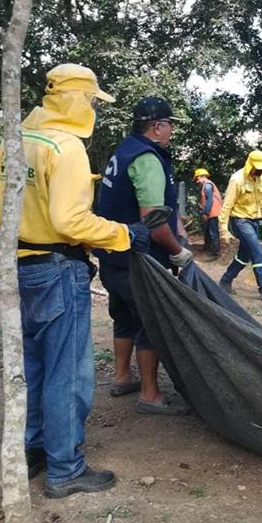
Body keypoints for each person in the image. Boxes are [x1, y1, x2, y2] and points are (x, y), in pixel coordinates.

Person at [0, 63, 152, 499]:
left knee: (36, 366)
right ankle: (65, 468)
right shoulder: (66, 147)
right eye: (93, 100)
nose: (95, 108)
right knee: (68, 373)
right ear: (78, 100)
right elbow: (69, 219)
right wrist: (122, 235)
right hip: (59, 270)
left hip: (20, 266)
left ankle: (34, 451)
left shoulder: (16, 142)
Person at [94, 96, 193, 415]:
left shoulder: (125, 150)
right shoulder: (148, 159)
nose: (171, 132)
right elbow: (154, 221)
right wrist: (178, 252)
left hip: (112, 255)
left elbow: (162, 208)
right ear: (156, 126)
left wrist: (180, 228)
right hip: (139, 259)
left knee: (122, 314)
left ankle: (123, 377)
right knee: (151, 320)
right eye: (169, 126)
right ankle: (150, 394)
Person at [217, 150, 262, 302]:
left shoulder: (261, 178)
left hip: (254, 220)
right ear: (249, 165)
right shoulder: (237, 180)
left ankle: (225, 281)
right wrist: (223, 230)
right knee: (257, 252)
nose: (260, 171)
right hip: (239, 220)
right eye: (257, 168)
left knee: (244, 255)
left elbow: (261, 201)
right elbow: (226, 206)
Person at [194, 167, 222, 260]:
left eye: (197, 179)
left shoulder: (207, 186)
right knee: (208, 231)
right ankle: (208, 248)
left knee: (213, 233)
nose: (197, 181)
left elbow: (210, 200)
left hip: (212, 212)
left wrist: (206, 213)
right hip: (211, 212)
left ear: (202, 176)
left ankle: (215, 253)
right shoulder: (206, 185)